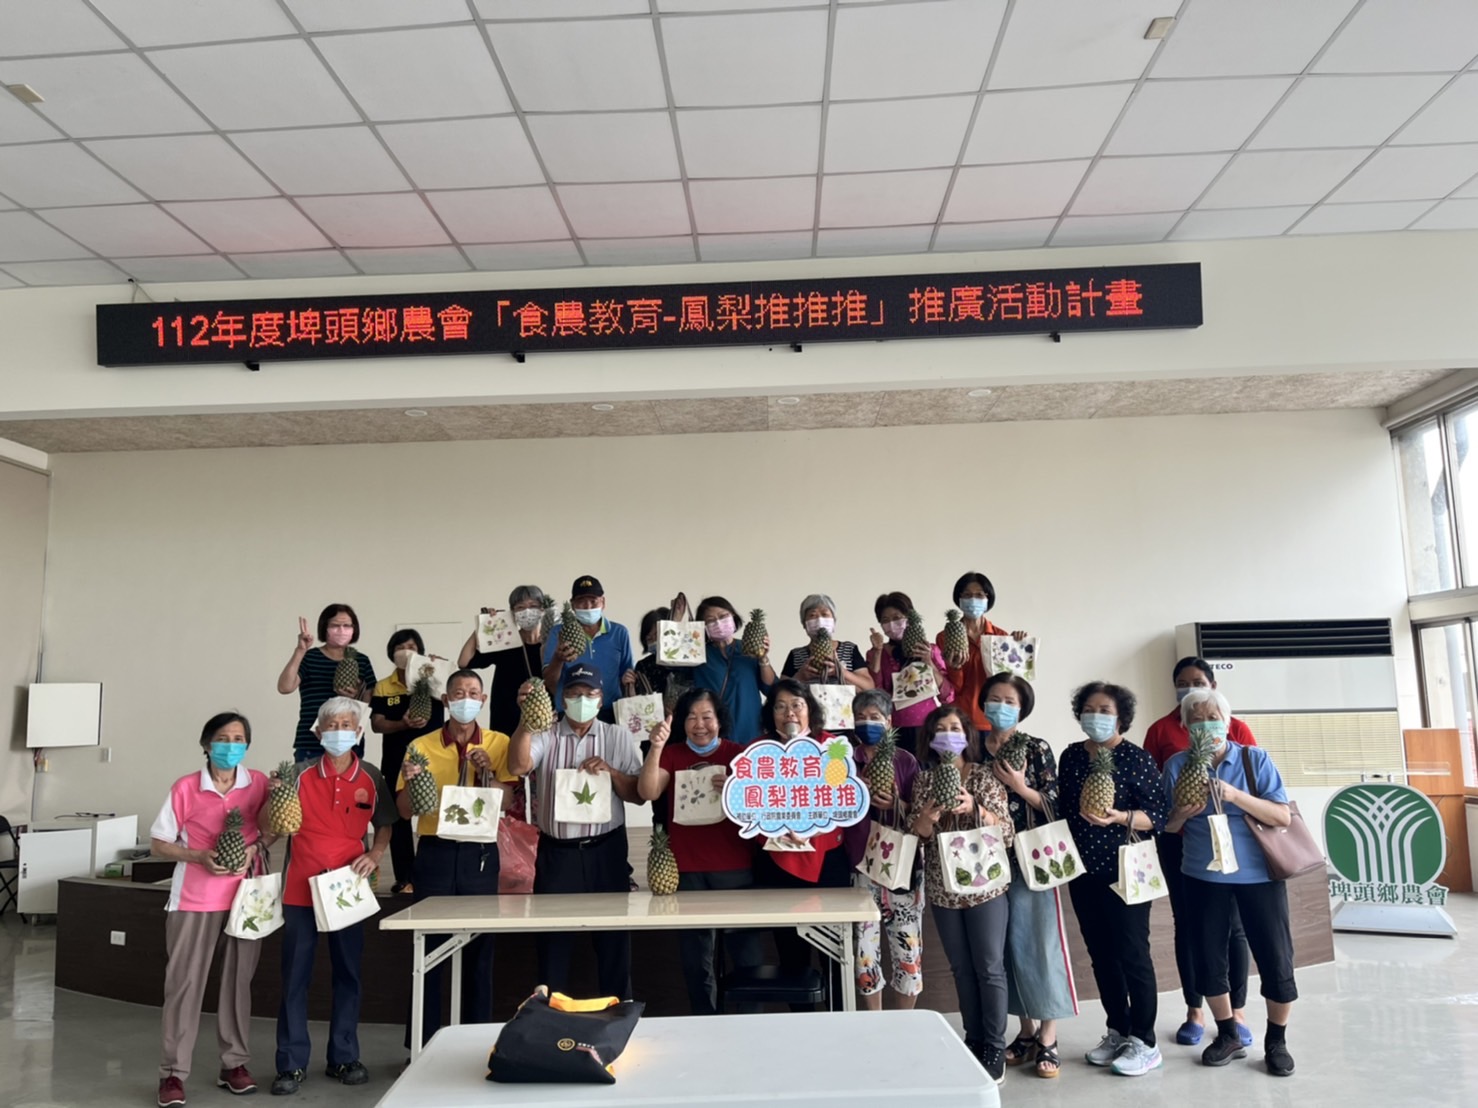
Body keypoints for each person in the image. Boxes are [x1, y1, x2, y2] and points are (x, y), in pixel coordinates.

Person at [1163, 688, 1298, 1078]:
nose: (1206, 725)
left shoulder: (1254, 759)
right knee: (1208, 957)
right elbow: (1167, 827)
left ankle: (1276, 1041)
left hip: (1258, 875)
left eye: (1213, 718)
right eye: (1197, 719)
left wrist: (1235, 795)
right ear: (1186, 726)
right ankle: (1227, 1033)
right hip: (1202, 875)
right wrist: (1181, 813)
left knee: (1275, 957)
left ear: (1227, 722)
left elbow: (1282, 816)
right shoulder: (1177, 766)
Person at [269, 697, 394, 1097]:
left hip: (347, 892)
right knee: (295, 977)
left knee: (348, 973)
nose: (339, 731)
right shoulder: (298, 775)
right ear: (318, 732)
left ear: (358, 732)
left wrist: (376, 854)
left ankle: (344, 1055)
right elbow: (274, 825)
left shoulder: (371, 776)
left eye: (346, 724)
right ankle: (290, 1062)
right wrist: (273, 799)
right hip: (300, 889)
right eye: (332, 725)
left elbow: (385, 823)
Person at [152, 712, 274, 1108]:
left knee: (238, 985)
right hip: (195, 899)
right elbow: (159, 843)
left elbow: (273, 828)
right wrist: (198, 855)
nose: (231, 745)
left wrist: (256, 847)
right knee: (184, 985)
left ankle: (234, 1065)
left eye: (239, 738)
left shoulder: (258, 783)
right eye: (223, 738)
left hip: (246, 899)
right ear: (206, 744)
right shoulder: (186, 787)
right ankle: (173, 1073)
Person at [397, 670, 519, 1050]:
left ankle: (474, 1044)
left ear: (483, 700)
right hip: (435, 850)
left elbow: (510, 800)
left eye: (473, 692)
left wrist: (487, 772)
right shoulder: (420, 745)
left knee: (479, 952)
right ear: (446, 700)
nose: (466, 698)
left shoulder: (499, 743)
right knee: (428, 950)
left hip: (479, 853)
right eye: (458, 693)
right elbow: (404, 811)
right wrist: (411, 781)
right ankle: (422, 1045)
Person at [509, 663, 644, 998]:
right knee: (552, 942)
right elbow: (518, 765)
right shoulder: (546, 734)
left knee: (613, 942)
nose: (581, 700)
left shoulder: (618, 736)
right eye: (573, 693)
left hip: (606, 851)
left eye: (589, 694)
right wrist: (526, 721)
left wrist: (612, 772)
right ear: (561, 697)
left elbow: (638, 795)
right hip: (558, 854)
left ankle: (618, 1012)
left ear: (601, 699)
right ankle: (549, 1016)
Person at [1144, 656, 1257, 1048]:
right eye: (1182, 682)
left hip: (1232, 842)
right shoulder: (1162, 729)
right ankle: (1194, 1010)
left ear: (1213, 684)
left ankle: (1237, 1011)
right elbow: (1152, 788)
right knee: (1187, 925)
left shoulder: (1235, 726)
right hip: (1180, 841)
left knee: (1235, 928)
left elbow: (1252, 782)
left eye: (1197, 680)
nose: (1189, 687)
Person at [1058, 681, 1167, 1078]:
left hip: (1126, 870)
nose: (1096, 716)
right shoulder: (1072, 756)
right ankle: (1117, 1030)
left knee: (1133, 953)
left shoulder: (1135, 759)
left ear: (1121, 717)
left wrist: (1120, 817)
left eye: (1104, 710)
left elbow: (1158, 815)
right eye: (1089, 708)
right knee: (1101, 954)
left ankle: (1146, 1041)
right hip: (1083, 871)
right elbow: (1064, 807)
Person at [637, 687, 762, 1015]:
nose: (699, 724)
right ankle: (704, 1019)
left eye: (707, 716)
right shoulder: (672, 753)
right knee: (696, 958)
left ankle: (748, 1022)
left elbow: (760, 805)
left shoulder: (739, 755)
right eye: (691, 717)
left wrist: (737, 788)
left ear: (720, 721)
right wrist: (656, 747)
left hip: (735, 869)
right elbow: (648, 791)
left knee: (746, 954)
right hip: (687, 869)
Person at [977, 673, 1076, 1080]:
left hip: (1032, 856)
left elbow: (1055, 803)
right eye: (994, 699)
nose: (1001, 707)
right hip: (985, 860)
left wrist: (1019, 786)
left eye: (1010, 701)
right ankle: (1026, 1029)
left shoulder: (1036, 748)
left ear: (1022, 708)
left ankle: (1049, 1034)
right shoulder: (971, 745)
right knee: (1003, 947)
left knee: (1040, 941)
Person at [909, 705, 1013, 1084]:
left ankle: (995, 1045)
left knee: (989, 966)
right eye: (941, 729)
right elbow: (916, 836)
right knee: (961, 969)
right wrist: (924, 821)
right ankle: (974, 1038)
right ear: (930, 738)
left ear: (967, 735)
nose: (948, 735)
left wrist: (977, 809)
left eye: (955, 728)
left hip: (985, 887)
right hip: (943, 889)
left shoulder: (983, 776)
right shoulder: (924, 781)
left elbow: (1008, 830)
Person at [751, 679, 853, 1005]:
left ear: (810, 709)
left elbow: (841, 799)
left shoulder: (833, 745)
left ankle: (839, 1015)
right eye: (780, 706)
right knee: (791, 954)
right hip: (778, 860)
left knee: (834, 950)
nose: (789, 713)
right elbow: (749, 805)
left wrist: (813, 830)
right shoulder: (758, 750)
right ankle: (801, 1019)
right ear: (771, 714)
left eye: (797, 704)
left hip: (827, 861)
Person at [844, 689, 924, 1013]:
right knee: (864, 952)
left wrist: (897, 805)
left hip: (902, 868)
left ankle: (904, 1022)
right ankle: (874, 1021)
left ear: (889, 721)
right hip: (860, 865)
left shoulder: (905, 761)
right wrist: (853, 791)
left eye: (875, 717)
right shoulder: (844, 760)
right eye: (861, 717)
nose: (867, 723)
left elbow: (921, 812)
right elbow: (830, 804)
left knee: (908, 950)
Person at [370, 628, 446, 894]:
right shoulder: (384, 685)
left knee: (436, 815)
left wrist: (439, 669)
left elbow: (455, 699)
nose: (405, 652)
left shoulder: (434, 679)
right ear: (391, 654)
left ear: (420, 651)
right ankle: (405, 877)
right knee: (398, 820)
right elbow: (377, 724)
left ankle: (436, 873)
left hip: (435, 761)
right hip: (396, 760)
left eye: (411, 647)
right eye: (399, 647)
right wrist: (402, 724)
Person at [277, 604, 376, 762]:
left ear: (354, 629)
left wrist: (354, 698)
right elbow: (285, 687)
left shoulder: (361, 661)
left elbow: (370, 700)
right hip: (311, 742)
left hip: (348, 742)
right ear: (325, 628)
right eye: (335, 625)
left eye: (347, 625)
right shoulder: (310, 657)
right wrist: (300, 650)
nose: (341, 630)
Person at [938, 572, 1029, 733]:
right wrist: (955, 668)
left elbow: (1009, 682)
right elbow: (951, 688)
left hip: (992, 719)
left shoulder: (1001, 637)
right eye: (967, 595)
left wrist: (1017, 645)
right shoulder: (945, 637)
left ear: (988, 599)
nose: (973, 600)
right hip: (958, 720)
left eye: (979, 595)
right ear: (959, 599)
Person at [459, 584, 553, 737]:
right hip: (506, 721)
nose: (527, 611)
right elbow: (464, 662)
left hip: (545, 722)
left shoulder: (553, 643)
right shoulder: (505, 641)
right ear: (512, 613)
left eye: (533, 606)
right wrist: (483, 624)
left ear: (542, 609)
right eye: (520, 607)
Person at [541, 575, 635, 723]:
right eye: (581, 601)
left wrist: (628, 680)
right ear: (572, 605)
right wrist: (558, 659)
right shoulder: (558, 633)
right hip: (570, 713)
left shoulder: (619, 633)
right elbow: (550, 682)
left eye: (593, 601)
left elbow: (627, 676)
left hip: (610, 714)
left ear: (603, 602)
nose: (588, 607)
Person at [867, 590, 953, 748]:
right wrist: (877, 652)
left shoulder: (930, 650)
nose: (891, 624)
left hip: (927, 726)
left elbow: (948, 695)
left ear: (909, 617)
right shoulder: (876, 653)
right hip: (892, 727)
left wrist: (929, 662)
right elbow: (875, 693)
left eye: (897, 617)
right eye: (885, 620)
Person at [690, 595, 775, 746]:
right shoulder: (697, 654)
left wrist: (763, 657)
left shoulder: (748, 647)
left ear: (733, 617)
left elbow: (770, 688)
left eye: (723, 616)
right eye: (710, 620)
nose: (718, 622)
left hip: (750, 731)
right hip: (713, 734)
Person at [779, 594, 875, 690]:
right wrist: (800, 677)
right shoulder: (796, 654)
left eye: (825, 614)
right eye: (812, 615)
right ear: (804, 624)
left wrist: (842, 672)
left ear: (834, 621)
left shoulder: (849, 649)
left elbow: (869, 687)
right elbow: (780, 691)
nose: (819, 620)